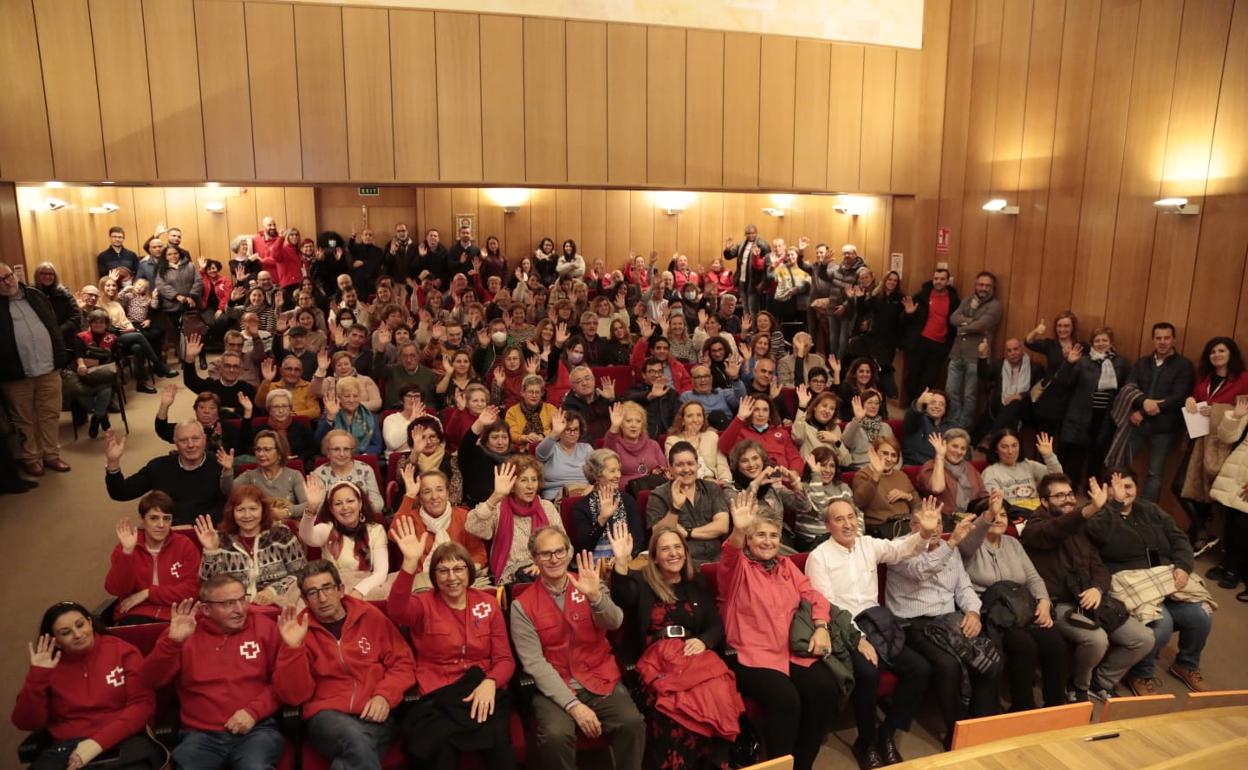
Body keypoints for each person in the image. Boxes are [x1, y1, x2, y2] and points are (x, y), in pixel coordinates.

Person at [805, 498, 941, 768]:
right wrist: (859, 638)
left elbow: (902, 550)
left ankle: (886, 733)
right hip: (843, 628)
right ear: (827, 525)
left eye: (850, 516)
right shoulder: (818, 557)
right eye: (839, 519)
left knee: (920, 668)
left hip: (877, 623)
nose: (847, 523)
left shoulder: (868, 544)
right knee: (867, 674)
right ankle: (865, 741)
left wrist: (924, 532)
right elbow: (826, 605)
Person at [717, 491, 841, 770]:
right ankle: (778, 766)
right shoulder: (738, 570)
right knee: (786, 699)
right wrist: (738, 528)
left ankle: (802, 764)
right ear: (749, 539)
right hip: (750, 657)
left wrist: (821, 626)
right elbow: (729, 555)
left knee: (825, 688)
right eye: (760, 535)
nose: (768, 541)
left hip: (790, 652)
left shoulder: (786, 566)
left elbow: (814, 596)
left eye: (773, 536)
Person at [609, 523, 743, 769]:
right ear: (655, 557)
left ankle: (714, 763)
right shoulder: (642, 580)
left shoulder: (695, 581)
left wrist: (704, 641)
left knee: (719, 692)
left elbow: (715, 625)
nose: (673, 553)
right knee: (673, 708)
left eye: (677, 547)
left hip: (692, 654)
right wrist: (620, 561)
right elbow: (621, 596)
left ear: (685, 551)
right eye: (665, 549)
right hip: (657, 659)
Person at [509, 527, 645, 770]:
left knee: (632, 723)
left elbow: (615, 622)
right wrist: (574, 706)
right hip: (555, 686)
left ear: (569, 552)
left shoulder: (590, 580)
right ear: (534, 558)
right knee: (555, 736)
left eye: (559, 551)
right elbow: (534, 664)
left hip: (599, 677)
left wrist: (595, 597)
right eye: (546, 554)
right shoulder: (522, 606)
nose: (554, 559)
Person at [386, 529, 516, 768]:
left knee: (499, 743)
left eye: (458, 569)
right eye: (443, 571)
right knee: (439, 748)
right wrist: (408, 565)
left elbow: (505, 659)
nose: (451, 577)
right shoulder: (423, 604)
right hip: (440, 694)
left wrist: (490, 682)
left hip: (482, 689)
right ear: (434, 576)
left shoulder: (486, 603)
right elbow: (395, 609)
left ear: (469, 571)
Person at [1021, 474, 1154, 702]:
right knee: (1097, 639)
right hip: (1059, 604)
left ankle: (1101, 681)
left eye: (1070, 494)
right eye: (1059, 495)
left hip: (1090, 598)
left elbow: (1099, 567)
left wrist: (1098, 589)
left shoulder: (1081, 528)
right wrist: (1089, 510)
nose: (1068, 500)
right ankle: (1078, 686)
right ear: (1044, 501)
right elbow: (1055, 529)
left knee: (1144, 638)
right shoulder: (1035, 527)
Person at [273, 561, 417, 770]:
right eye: (312, 593)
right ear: (304, 599)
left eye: (327, 588)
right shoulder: (296, 629)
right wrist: (293, 648)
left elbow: (403, 663)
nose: (322, 598)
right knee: (355, 740)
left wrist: (384, 695)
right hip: (326, 716)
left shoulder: (370, 616)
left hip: (375, 712)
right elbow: (294, 696)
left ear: (340, 590)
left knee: (353, 755)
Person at [1084, 469, 1212, 695]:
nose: (1124, 492)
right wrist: (1113, 504)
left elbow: (1179, 539)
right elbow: (1095, 534)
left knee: (1201, 615)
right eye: (1117, 487)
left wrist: (1183, 566)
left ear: (1137, 488)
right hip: (1132, 586)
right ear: (1106, 490)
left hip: (1166, 579)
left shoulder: (1150, 509)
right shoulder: (1100, 515)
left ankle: (1186, 665)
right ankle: (1141, 674)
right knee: (1162, 624)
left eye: (1129, 486)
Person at [138, 578, 287, 769]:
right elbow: (150, 681)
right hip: (200, 736)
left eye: (243, 599)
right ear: (206, 610)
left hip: (256, 729)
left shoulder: (264, 627)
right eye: (228, 604)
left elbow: (283, 684)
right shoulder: (182, 633)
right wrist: (172, 643)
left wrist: (254, 712)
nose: (240, 609)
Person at [886, 509, 1000, 747]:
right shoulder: (899, 549)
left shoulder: (951, 549)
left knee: (988, 652)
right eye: (926, 523)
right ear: (912, 526)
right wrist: (952, 543)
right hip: (914, 624)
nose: (934, 528)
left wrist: (972, 613)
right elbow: (920, 571)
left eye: (938, 522)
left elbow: (964, 588)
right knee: (948, 664)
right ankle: (957, 733)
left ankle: (980, 726)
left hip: (949, 620)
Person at [12, 601, 164, 770]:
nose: (77, 634)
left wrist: (97, 743)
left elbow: (142, 706)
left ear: (90, 623)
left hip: (122, 740)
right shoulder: (48, 666)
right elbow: (26, 723)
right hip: (68, 747)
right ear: (56, 641)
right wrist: (37, 677)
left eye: (80, 625)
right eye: (66, 632)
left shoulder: (122, 651)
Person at [958, 489, 1069, 710]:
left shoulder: (1013, 543)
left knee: (1055, 641)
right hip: (992, 615)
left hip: (1022, 608)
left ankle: (1056, 705)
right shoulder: (969, 546)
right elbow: (970, 542)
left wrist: (1044, 603)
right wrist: (988, 513)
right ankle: (1023, 706)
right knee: (1023, 644)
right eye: (993, 515)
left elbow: (1034, 578)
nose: (998, 519)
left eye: (1002, 515)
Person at [0, 262, 70, 476]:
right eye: (1, 280)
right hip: (16, 374)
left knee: (50, 414)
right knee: (25, 418)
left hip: (49, 368)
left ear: (14, 274)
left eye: (8, 276)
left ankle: (51, 455)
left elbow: (53, 326)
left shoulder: (35, 295)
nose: (7, 282)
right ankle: (31, 457)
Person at [1178, 337, 1248, 551]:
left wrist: (1217, 409)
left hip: (1223, 445)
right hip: (1199, 439)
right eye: (1212, 352)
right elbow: (1197, 403)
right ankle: (1200, 532)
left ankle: (1200, 536)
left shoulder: (1243, 379)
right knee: (1181, 486)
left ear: (1231, 354)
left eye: (1221, 351)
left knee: (1207, 492)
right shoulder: (1205, 379)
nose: (1216, 355)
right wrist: (1190, 400)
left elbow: (1242, 411)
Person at [195, 485, 308, 607]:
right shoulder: (221, 539)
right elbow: (208, 587)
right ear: (231, 512)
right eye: (240, 510)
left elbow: (302, 573)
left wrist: (274, 590)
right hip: (235, 608)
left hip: (278, 605)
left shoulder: (281, 534)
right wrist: (211, 551)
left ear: (263, 510)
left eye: (253, 509)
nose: (247, 515)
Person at [1123, 322, 1195, 502]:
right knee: (1121, 465)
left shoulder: (1184, 365)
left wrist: (1144, 411)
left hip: (1165, 428)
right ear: (1153, 339)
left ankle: (1144, 514)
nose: (1162, 342)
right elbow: (1130, 387)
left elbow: (1179, 397)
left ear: (1174, 339)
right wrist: (1143, 402)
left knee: (1155, 474)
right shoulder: (1142, 362)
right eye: (1158, 338)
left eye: (1167, 338)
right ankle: (1117, 504)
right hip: (1137, 424)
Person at [105, 491, 201, 624]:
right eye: (154, 518)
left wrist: (148, 593)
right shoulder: (127, 545)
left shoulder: (184, 545)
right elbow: (115, 589)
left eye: (166, 518)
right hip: (138, 612)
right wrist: (127, 553)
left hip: (177, 613)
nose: (161, 525)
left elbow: (192, 591)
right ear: (142, 518)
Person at [104, 424, 229, 526]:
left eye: (195, 438)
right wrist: (113, 462)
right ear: (175, 443)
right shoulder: (158, 467)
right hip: (166, 533)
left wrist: (196, 525)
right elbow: (120, 493)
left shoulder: (219, 464)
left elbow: (227, 504)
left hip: (208, 531)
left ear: (204, 439)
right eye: (183, 440)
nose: (191, 445)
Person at [466, 458, 564, 584]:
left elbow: (567, 547)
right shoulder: (498, 508)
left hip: (546, 569)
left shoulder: (547, 507)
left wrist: (544, 564)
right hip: (510, 576)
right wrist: (495, 496)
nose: (530, 486)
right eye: (523, 480)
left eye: (533, 480)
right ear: (511, 485)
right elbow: (473, 527)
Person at [391, 465, 488, 588]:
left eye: (439, 490)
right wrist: (409, 495)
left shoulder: (464, 516)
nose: (434, 496)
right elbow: (394, 534)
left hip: (460, 578)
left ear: (447, 493)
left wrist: (468, 568)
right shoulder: (411, 518)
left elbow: (479, 553)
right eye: (427, 491)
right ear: (419, 498)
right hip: (423, 581)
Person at [1059, 327, 1130, 493]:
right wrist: (1069, 364)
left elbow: (1126, 387)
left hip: (1106, 416)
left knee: (1098, 455)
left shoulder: (1121, 363)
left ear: (1111, 342)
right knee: (1077, 455)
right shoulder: (1083, 361)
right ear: (1092, 343)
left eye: (1104, 340)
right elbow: (1065, 382)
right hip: (1082, 415)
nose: (1101, 344)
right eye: (1097, 340)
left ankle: (1092, 490)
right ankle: (1071, 488)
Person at [300, 479, 390, 600]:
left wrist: (358, 592)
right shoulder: (327, 529)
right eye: (338, 503)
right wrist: (311, 508)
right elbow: (306, 536)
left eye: (350, 501)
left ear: (360, 504)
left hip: (367, 588)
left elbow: (381, 572)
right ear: (331, 510)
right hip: (333, 590)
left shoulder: (375, 530)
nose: (345, 507)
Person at [647, 441, 733, 566]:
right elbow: (660, 535)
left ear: (698, 465)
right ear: (670, 468)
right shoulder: (658, 495)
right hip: (682, 563)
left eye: (690, 464)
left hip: (719, 559)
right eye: (680, 465)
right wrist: (675, 508)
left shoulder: (712, 488)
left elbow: (722, 526)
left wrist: (688, 533)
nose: (686, 469)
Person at [945, 271, 1002, 428]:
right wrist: (970, 321)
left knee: (970, 396)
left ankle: (963, 427)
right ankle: (952, 423)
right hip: (957, 353)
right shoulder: (968, 300)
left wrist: (963, 327)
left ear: (993, 288)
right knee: (951, 392)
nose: (983, 288)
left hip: (976, 358)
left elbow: (981, 325)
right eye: (980, 284)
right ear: (976, 285)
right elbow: (953, 318)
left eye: (987, 285)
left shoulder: (995, 306)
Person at [571, 449, 645, 560]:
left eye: (618, 470)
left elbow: (638, 538)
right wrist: (602, 519)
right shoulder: (582, 506)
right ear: (596, 475)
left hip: (627, 561)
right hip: (596, 567)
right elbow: (583, 548)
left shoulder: (627, 500)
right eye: (612, 471)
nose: (618, 475)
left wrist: (627, 557)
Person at [901, 267, 959, 402]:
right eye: (936, 279)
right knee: (913, 376)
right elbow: (904, 319)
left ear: (947, 281)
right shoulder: (922, 296)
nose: (938, 282)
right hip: (920, 341)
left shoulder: (954, 300)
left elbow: (954, 324)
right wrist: (908, 314)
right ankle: (912, 405)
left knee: (929, 380)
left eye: (942, 279)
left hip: (939, 345)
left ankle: (921, 407)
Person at [1024, 312, 1084, 441]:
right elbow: (1028, 342)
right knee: (1045, 436)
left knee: (1066, 437)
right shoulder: (1050, 344)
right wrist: (1036, 331)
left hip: (1071, 397)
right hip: (1050, 396)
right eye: (1059, 326)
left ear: (1073, 327)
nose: (1062, 329)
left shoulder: (1081, 346)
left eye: (1066, 326)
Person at [718, 395, 805, 475]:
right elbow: (723, 447)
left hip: (784, 480)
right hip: (755, 480)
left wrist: (794, 472)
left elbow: (795, 458)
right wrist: (740, 417)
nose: (761, 414)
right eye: (756, 410)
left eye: (765, 410)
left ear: (770, 413)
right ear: (749, 411)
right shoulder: (740, 432)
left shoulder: (782, 433)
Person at [977, 337, 1045, 437]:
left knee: (1014, 403)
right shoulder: (999, 365)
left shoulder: (1035, 368)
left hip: (1026, 408)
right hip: (1000, 406)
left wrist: (1021, 396)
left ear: (1022, 349)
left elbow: (1039, 391)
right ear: (1006, 353)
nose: (1012, 353)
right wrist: (983, 355)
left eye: (1015, 349)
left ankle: (992, 436)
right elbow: (984, 375)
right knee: (1009, 414)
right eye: (1009, 351)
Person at [852, 436, 918, 539]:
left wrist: (907, 496)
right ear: (874, 453)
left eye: (893, 455)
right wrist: (876, 476)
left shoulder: (901, 475)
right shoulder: (863, 474)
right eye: (885, 453)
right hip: (881, 529)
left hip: (906, 524)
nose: (889, 459)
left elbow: (919, 505)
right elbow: (859, 502)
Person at [982, 428, 1064, 510]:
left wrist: (1049, 456)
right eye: (1004, 447)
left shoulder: (1029, 465)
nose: (1010, 451)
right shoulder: (990, 472)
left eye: (1014, 446)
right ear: (996, 449)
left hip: (1037, 513)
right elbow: (994, 503)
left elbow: (1057, 478)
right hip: (1012, 515)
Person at [308, 429, 383, 511]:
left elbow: (378, 504)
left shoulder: (366, 470)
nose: (342, 454)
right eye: (336, 449)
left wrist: (352, 513)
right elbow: (318, 508)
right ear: (327, 452)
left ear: (352, 451)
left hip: (363, 518)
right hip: (331, 522)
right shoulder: (318, 474)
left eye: (346, 449)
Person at [917, 429, 986, 516]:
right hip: (942, 519)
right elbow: (937, 488)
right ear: (944, 445)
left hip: (971, 518)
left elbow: (983, 494)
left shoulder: (970, 468)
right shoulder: (930, 466)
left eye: (963, 448)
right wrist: (940, 456)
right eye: (955, 446)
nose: (959, 452)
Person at [603, 401, 668, 492]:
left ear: (642, 425)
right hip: (626, 494)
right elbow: (605, 459)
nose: (633, 425)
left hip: (654, 492)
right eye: (628, 421)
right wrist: (614, 426)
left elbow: (665, 470)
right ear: (621, 424)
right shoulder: (614, 444)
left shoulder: (653, 444)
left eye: (638, 421)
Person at [664, 400, 732, 484]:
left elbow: (722, 465)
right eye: (690, 416)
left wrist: (725, 482)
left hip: (717, 483)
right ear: (682, 421)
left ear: (703, 419)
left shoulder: (712, 436)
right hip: (689, 484)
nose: (695, 420)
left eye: (699, 415)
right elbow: (676, 471)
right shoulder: (672, 441)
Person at [315, 376, 382, 457]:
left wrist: (363, 457)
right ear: (339, 398)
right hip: (336, 458)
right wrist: (331, 417)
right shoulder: (329, 415)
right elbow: (319, 442)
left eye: (355, 396)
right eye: (347, 396)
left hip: (363, 458)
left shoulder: (370, 417)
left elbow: (376, 445)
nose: (351, 400)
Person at [536, 409, 593, 500]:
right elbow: (540, 454)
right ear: (560, 431)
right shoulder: (552, 447)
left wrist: (592, 486)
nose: (572, 433)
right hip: (556, 497)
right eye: (568, 429)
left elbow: (599, 471)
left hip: (584, 495)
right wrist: (554, 433)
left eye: (576, 429)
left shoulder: (586, 448)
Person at [792, 387, 852, 469]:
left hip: (830, 474)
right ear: (815, 407)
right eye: (824, 406)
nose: (827, 411)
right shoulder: (804, 426)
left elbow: (846, 461)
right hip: (811, 474)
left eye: (832, 408)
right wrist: (802, 406)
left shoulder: (835, 429)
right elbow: (797, 437)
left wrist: (836, 441)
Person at [624, 355, 681, 437]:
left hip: (668, 436)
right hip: (643, 436)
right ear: (643, 375)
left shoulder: (671, 393)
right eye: (652, 371)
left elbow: (678, 417)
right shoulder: (635, 390)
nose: (657, 375)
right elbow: (627, 399)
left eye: (659, 371)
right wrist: (650, 395)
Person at [681, 360, 746, 431]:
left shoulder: (722, 393)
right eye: (698, 377)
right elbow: (684, 419)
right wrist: (706, 428)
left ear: (711, 378)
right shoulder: (687, 396)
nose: (703, 380)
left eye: (706, 376)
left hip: (725, 427)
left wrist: (735, 379)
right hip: (701, 430)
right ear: (692, 380)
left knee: (717, 415)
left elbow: (741, 400)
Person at [561, 365, 617, 441]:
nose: (584, 383)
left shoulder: (604, 395)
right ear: (573, 388)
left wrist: (612, 400)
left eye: (587, 378)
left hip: (615, 441)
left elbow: (623, 418)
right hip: (589, 446)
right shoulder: (569, 406)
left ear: (593, 380)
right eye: (579, 381)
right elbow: (578, 433)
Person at [256, 355, 321, 420]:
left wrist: (294, 415)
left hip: (300, 425)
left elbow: (315, 411)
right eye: (289, 369)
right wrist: (267, 381)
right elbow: (259, 403)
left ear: (301, 372)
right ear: (281, 371)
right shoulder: (272, 386)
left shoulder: (309, 387)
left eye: (297, 370)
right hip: (275, 425)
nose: (293, 373)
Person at [842, 390, 894, 470]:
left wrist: (895, 467)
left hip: (884, 467)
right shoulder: (854, 425)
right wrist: (857, 419)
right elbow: (845, 444)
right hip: (861, 468)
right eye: (870, 402)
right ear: (862, 405)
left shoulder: (885, 427)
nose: (873, 406)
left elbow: (895, 451)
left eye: (876, 403)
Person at [505, 374, 557, 451]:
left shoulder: (551, 409)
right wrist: (525, 437)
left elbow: (557, 430)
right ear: (522, 393)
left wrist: (542, 436)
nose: (534, 395)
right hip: (521, 451)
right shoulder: (512, 412)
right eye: (530, 392)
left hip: (547, 449)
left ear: (542, 394)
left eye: (537, 392)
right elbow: (511, 435)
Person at [901, 388, 952, 465]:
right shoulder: (918, 419)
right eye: (933, 403)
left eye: (941, 404)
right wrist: (919, 403)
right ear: (926, 405)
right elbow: (912, 416)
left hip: (941, 467)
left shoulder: (950, 427)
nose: (937, 406)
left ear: (945, 409)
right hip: (916, 466)